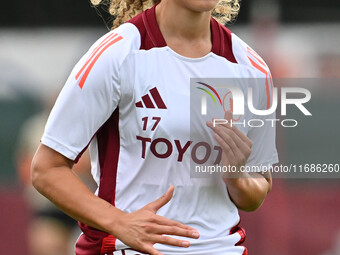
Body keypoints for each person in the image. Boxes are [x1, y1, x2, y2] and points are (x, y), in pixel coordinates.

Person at [31, 0, 278, 254]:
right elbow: (46, 169)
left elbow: (258, 190)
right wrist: (120, 222)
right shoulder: (118, 54)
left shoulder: (251, 68)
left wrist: (237, 178)